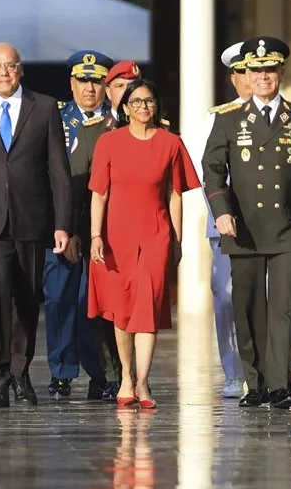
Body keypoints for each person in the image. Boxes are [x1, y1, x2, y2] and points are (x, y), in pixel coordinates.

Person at [202, 36, 291, 409]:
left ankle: (280, 384)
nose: (263, 76)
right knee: (248, 306)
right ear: (246, 75)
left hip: (288, 227)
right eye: (256, 70)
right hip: (244, 227)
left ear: (281, 73)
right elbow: (212, 169)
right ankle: (254, 383)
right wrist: (221, 211)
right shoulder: (227, 119)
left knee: (285, 308)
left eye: (270, 69)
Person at [0, 42, 72, 408]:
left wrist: (63, 223)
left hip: (32, 218)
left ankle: (22, 373)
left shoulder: (44, 107)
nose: (4, 73)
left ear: (20, 69)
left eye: (10, 66)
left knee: (27, 296)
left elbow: (59, 170)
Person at [87, 78, 200, 409]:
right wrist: (95, 234)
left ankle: (144, 380)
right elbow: (99, 193)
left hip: (155, 233)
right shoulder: (109, 142)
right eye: (135, 101)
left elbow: (175, 194)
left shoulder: (171, 143)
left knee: (148, 307)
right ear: (125, 108)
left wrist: (177, 240)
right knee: (122, 309)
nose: (143, 107)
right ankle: (126, 376)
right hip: (117, 236)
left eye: (148, 101)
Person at [69, 60, 142, 401]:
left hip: (142, 231)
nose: (128, 94)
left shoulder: (157, 128)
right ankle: (109, 374)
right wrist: (76, 230)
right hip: (104, 232)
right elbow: (80, 186)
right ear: (109, 91)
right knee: (102, 305)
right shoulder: (94, 130)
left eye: (134, 87)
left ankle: (135, 374)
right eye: (121, 87)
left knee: (139, 305)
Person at [44, 50, 113, 400]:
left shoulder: (119, 121)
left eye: (97, 81)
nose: (89, 88)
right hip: (62, 225)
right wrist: (67, 228)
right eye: (83, 80)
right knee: (59, 298)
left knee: (98, 303)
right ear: (71, 83)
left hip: (106, 228)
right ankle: (61, 371)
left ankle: (103, 374)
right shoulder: (53, 118)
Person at [185, 41, 249, 399]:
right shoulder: (217, 118)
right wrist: (221, 213)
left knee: (270, 300)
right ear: (233, 78)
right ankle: (233, 371)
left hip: (273, 225)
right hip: (227, 223)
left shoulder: (289, 116)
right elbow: (203, 172)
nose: (250, 78)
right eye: (242, 72)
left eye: (256, 70)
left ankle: (266, 371)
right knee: (225, 298)